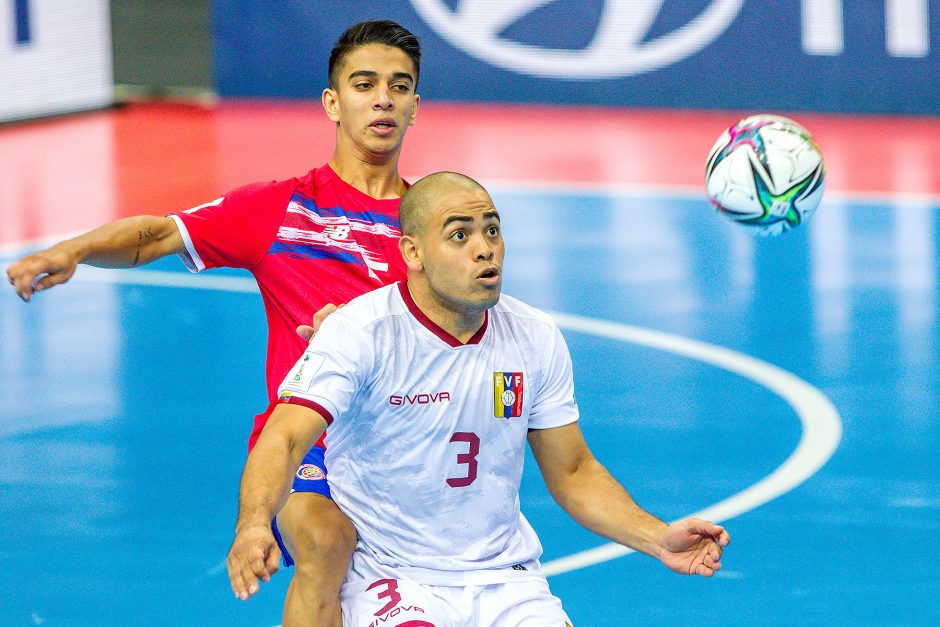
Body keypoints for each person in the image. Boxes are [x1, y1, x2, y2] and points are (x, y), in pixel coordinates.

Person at [6, 19, 423, 626]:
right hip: (312, 444)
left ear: (415, 105)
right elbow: (156, 233)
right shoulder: (280, 208)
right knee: (327, 546)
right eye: (365, 84)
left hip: (409, 443)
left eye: (399, 85)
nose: (383, 98)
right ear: (333, 103)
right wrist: (71, 250)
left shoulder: (432, 226)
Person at [227, 172, 731, 625]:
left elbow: (574, 472)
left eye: (492, 229)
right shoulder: (362, 332)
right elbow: (287, 436)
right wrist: (253, 525)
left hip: (507, 580)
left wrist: (656, 538)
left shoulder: (534, 336)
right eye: (459, 235)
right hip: (396, 576)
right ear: (412, 254)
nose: (484, 247)